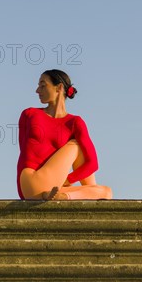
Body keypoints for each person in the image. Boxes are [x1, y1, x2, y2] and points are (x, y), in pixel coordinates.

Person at [17, 69, 113, 200]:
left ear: (59, 88)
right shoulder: (29, 114)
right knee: (77, 145)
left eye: (43, 85)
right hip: (31, 182)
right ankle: (79, 196)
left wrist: (67, 180)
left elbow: (92, 164)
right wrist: (67, 180)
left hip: (52, 189)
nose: (37, 90)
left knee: (106, 192)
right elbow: (23, 153)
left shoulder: (74, 122)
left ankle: (64, 196)